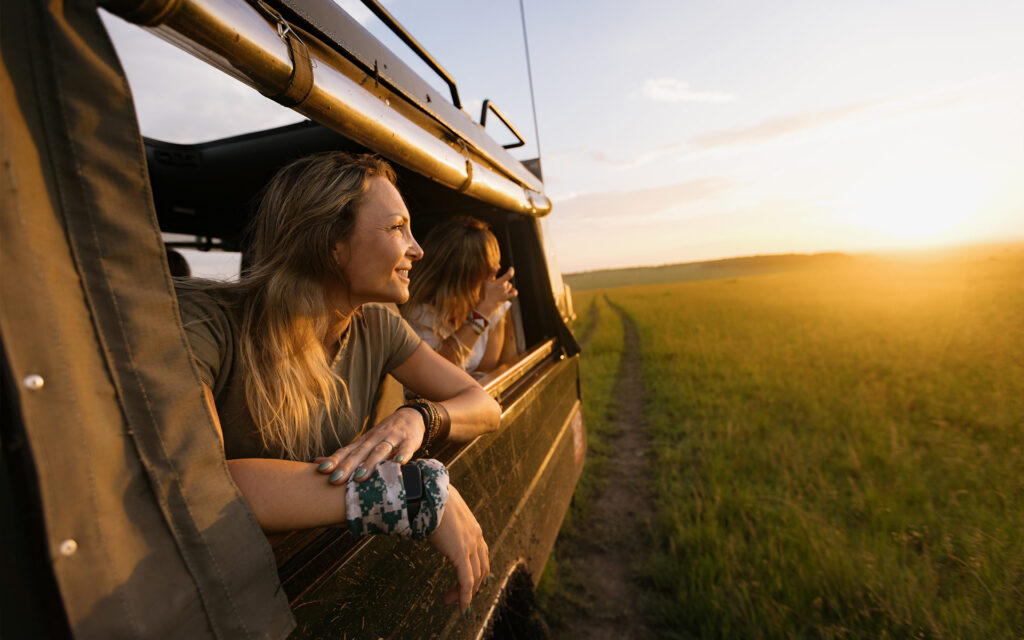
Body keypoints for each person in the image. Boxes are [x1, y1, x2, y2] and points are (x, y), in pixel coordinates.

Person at [175, 152, 499, 614]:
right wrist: (411, 492)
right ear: (332, 244)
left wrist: (418, 416)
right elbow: (202, 483)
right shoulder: (205, 324)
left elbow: (484, 404)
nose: (417, 249)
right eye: (396, 228)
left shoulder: (377, 327)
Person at [401, 217, 518, 375]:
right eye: (486, 272)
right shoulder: (417, 315)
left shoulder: (493, 304)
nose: (492, 278)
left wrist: (487, 310)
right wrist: (480, 315)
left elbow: (486, 371)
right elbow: (432, 375)